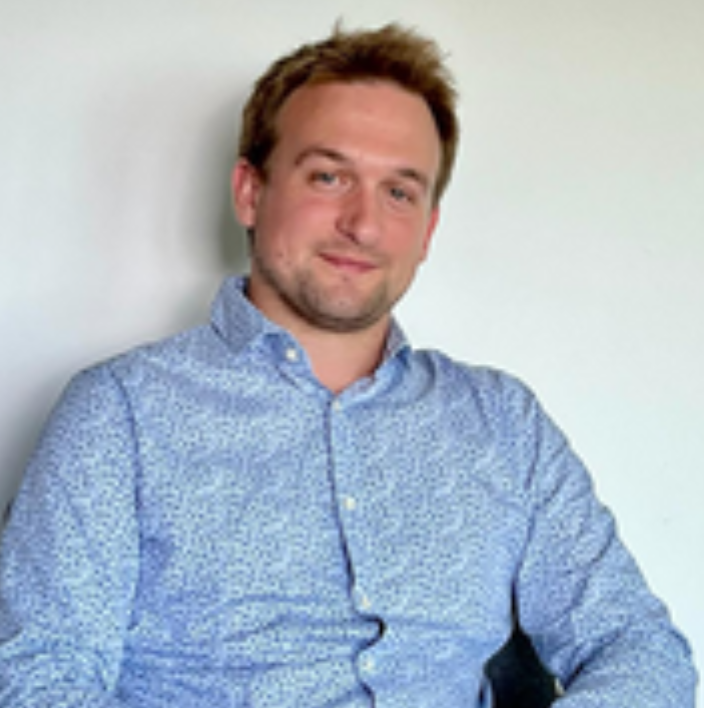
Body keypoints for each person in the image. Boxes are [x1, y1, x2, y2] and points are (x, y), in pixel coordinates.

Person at [0, 23, 697, 708]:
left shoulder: (503, 423)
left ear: (427, 229)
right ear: (250, 192)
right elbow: (37, 677)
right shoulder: (119, 413)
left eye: (399, 192)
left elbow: (638, 648)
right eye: (329, 176)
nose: (363, 225)